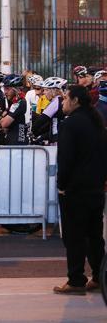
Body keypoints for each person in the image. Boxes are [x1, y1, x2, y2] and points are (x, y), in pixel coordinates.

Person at [53, 85, 107, 295]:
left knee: (74, 236)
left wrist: (62, 185)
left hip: (75, 190)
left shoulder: (70, 125)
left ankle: (76, 280)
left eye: (66, 98)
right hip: (95, 188)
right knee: (94, 236)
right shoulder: (97, 123)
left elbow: (65, 160)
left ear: (75, 100)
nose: (63, 102)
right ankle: (100, 276)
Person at [31, 77, 67, 144]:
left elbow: (41, 120)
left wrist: (31, 131)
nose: (44, 92)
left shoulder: (55, 102)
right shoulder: (61, 100)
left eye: (46, 90)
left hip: (56, 138)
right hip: (59, 136)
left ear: (53, 90)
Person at [0, 74, 28, 146]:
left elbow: (4, 123)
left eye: (7, 89)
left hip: (18, 142)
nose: (5, 92)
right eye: (4, 89)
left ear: (15, 89)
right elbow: (1, 118)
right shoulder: (16, 102)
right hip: (13, 140)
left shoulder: (20, 102)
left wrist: (2, 121)